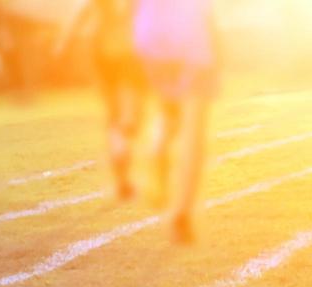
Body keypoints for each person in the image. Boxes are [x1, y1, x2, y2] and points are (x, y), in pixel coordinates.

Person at [133, 0, 218, 243]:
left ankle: (157, 153)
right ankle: (182, 213)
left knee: (169, 112)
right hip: (189, 31)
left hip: (151, 35)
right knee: (195, 130)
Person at [56, 0, 147, 201]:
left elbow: (82, 12)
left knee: (114, 115)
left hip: (104, 52)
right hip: (127, 52)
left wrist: (65, 42)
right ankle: (124, 137)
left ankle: (121, 168)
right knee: (131, 115)